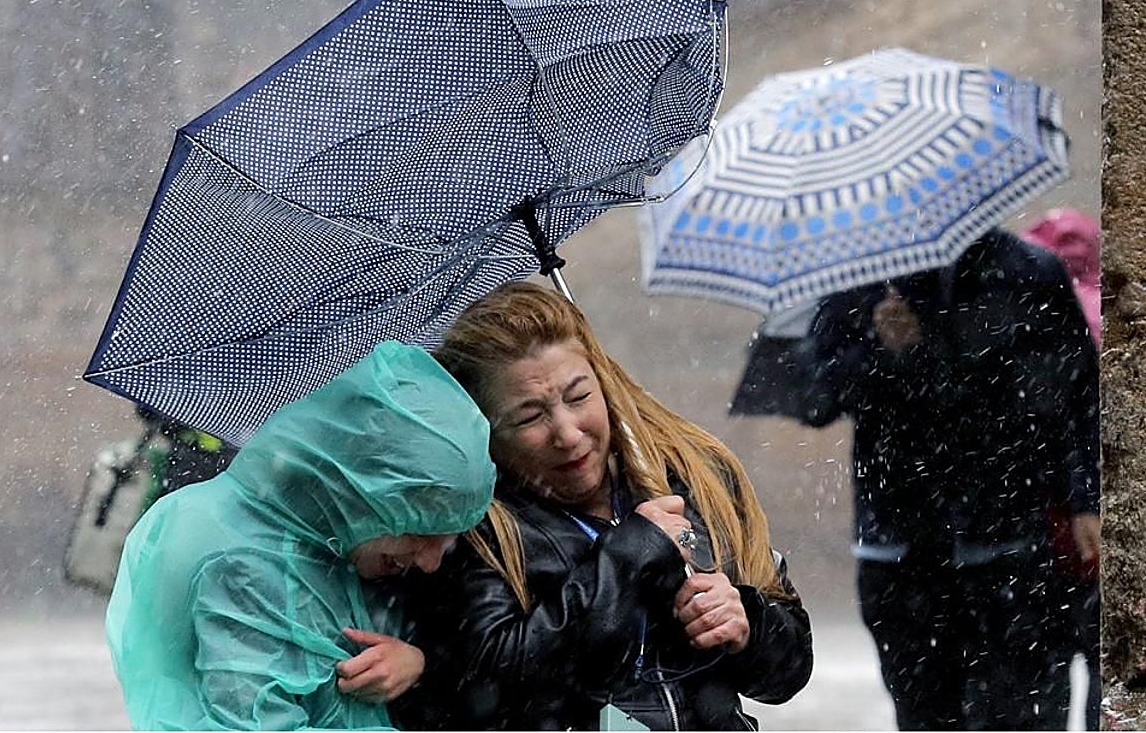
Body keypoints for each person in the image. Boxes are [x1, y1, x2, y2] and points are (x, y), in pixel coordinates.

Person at [389, 281, 813, 731]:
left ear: (604, 381)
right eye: (530, 417)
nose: (568, 433)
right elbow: (494, 687)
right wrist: (628, 557)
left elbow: (789, 672)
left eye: (578, 397)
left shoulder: (695, 475)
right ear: (486, 430)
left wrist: (746, 624)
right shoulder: (474, 530)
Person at [794, 227, 1100, 730]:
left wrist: (1084, 496)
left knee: (1020, 718)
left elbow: (1077, 394)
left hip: (1012, 546)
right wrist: (881, 349)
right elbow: (815, 398)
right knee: (925, 720)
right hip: (902, 552)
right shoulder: (860, 278)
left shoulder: (1029, 271)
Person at [106, 341, 496, 730]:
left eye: (446, 540)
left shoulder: (316, 540)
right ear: (358, 492)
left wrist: (414, 664)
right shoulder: (247, 564)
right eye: (419, 532)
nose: (429, 562)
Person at [1022, 207, 1103, 730]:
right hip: (1098, 530)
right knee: (1108, 672)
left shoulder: (1026, 315)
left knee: (1040, 680)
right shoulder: (1107, 315)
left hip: (1034, 529)